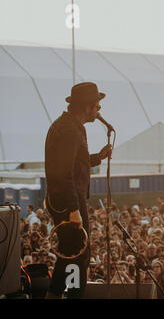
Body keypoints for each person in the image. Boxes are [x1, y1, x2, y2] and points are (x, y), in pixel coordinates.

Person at [44, 82, 111, 299]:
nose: (99, 111)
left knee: (70, 254)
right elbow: (65, 174)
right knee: (78, 255)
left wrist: (98, 158)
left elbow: (74, 165)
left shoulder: (68, 126)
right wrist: (74, 209)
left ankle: (53, 294)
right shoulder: (69, 130)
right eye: (97, 107)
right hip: (69, 202)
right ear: (87, 107)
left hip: (64, 200)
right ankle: (71, 296)